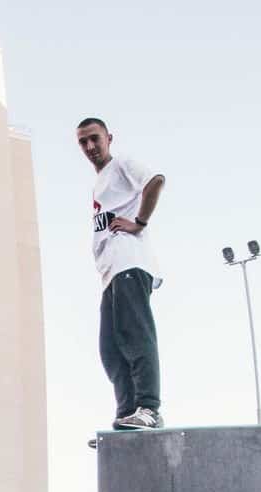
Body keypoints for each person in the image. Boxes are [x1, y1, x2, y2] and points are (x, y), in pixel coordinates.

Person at [78, 117, 167, 431]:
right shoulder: (99, 182)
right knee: (111, 349)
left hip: (130, 262)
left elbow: (155, 180)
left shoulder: (121, 164)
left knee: (135, 335)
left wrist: (139, 222)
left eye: (95, 138)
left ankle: (149, 408)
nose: (90, 146)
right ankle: (128, 413)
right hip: (110, 273)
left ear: (109, 138)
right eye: (83, 142)